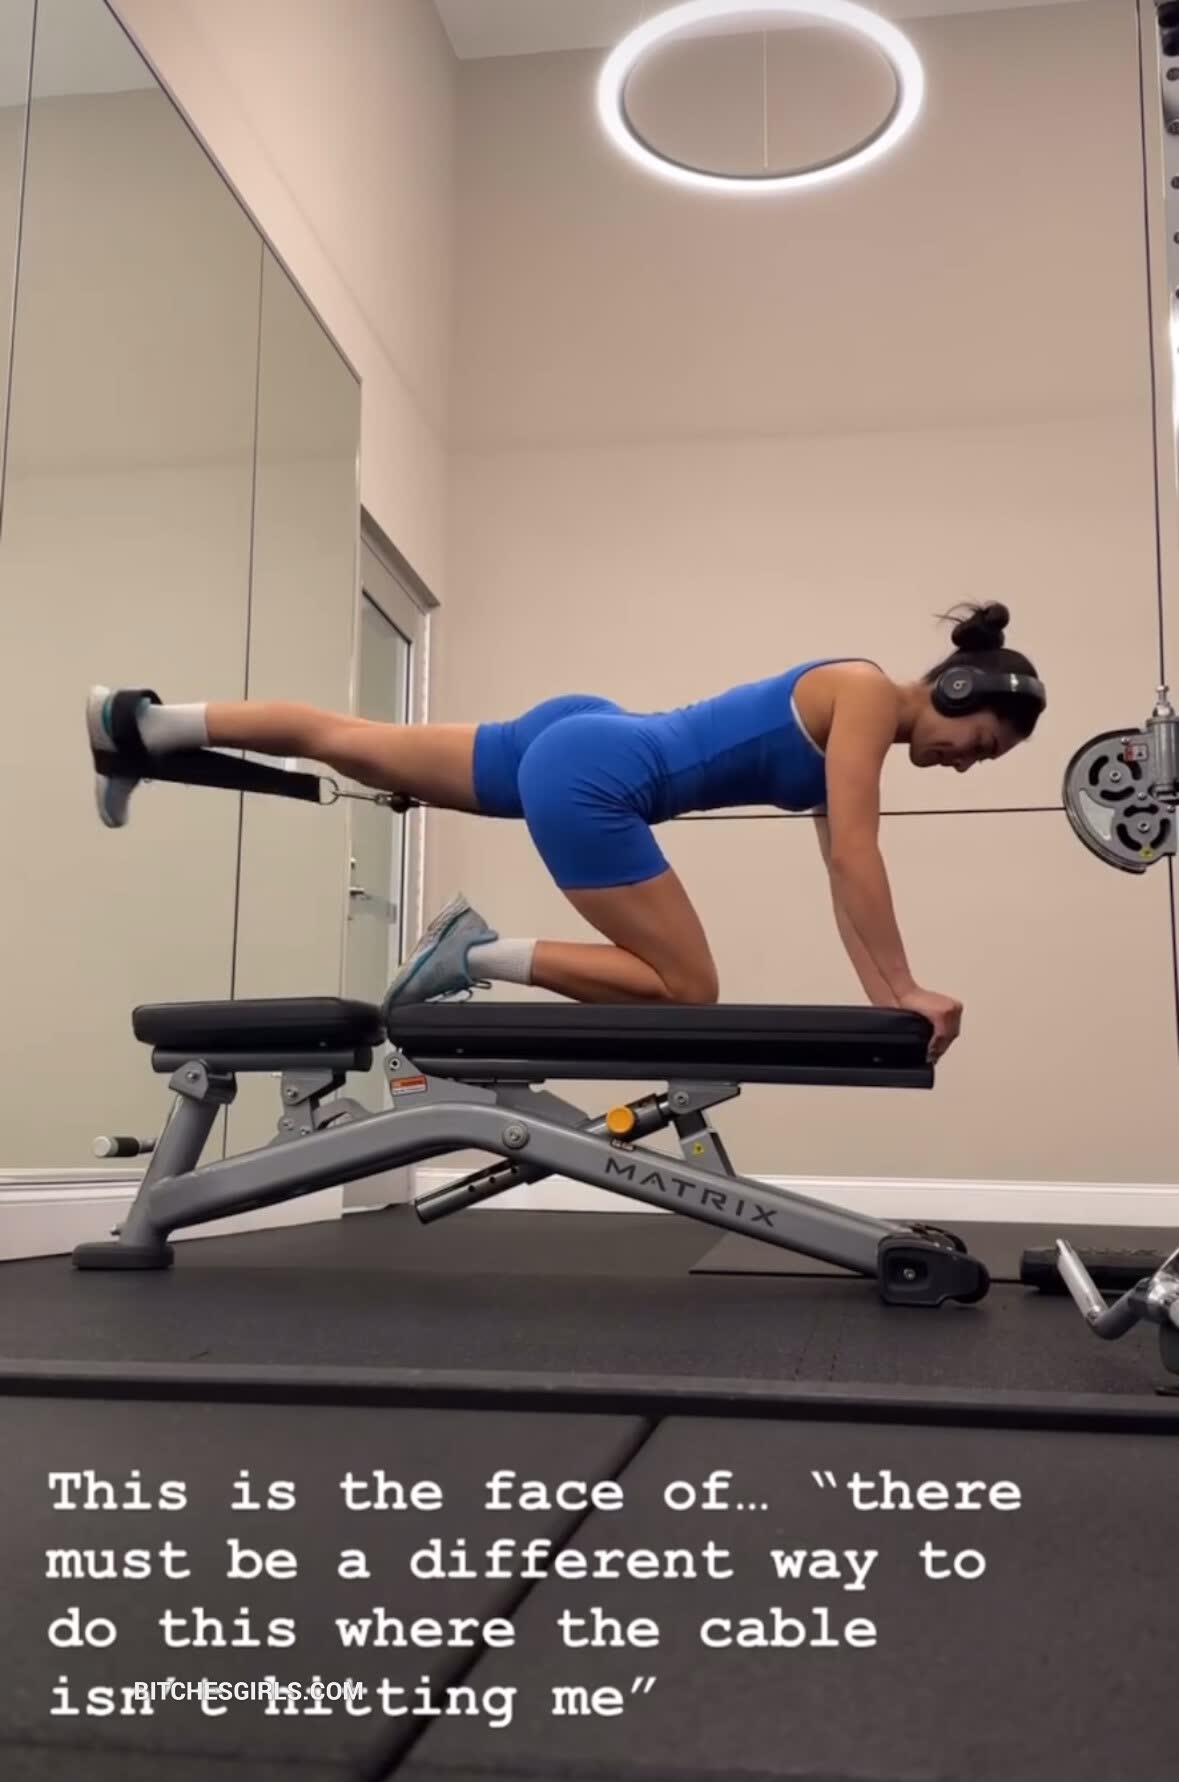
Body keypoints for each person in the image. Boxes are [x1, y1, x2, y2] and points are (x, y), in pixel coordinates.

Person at [88, 601, 1044, 1061]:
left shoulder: (853, 712)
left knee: (348, 741)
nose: (968, 761)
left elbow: (842, 878)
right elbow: (857, 855)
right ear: (957, 689)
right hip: (600, 777)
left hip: (585, 738)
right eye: (980, 744)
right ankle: (474, 953)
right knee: (687, 988)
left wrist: (892, 1007)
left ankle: (144, 724)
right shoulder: (868, 694)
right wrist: (906, 987)